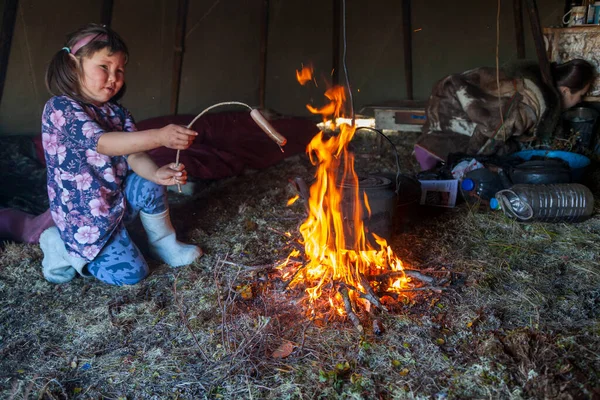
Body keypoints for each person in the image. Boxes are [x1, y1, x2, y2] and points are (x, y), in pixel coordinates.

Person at [39, 23, 202, 286]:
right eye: (104, 67)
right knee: (131, 274)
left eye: (120, 70)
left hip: (117, 203)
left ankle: (163, 243)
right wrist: (160, 136)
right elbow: (104, 143)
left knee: (150, 182)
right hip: (86, 220)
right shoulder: (61, 108)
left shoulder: (118, 113)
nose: (113, 77)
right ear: (72, 65)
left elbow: (134, 154)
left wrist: (156, 173)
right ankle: (62, 246)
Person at [414, 59, 597, 170]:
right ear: (565, 91)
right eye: (581, 95)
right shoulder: (529, 106)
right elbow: (491, 137)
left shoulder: (523, 82)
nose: (581, 101)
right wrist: (472, 166)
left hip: (433, 132)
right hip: (444, 148)